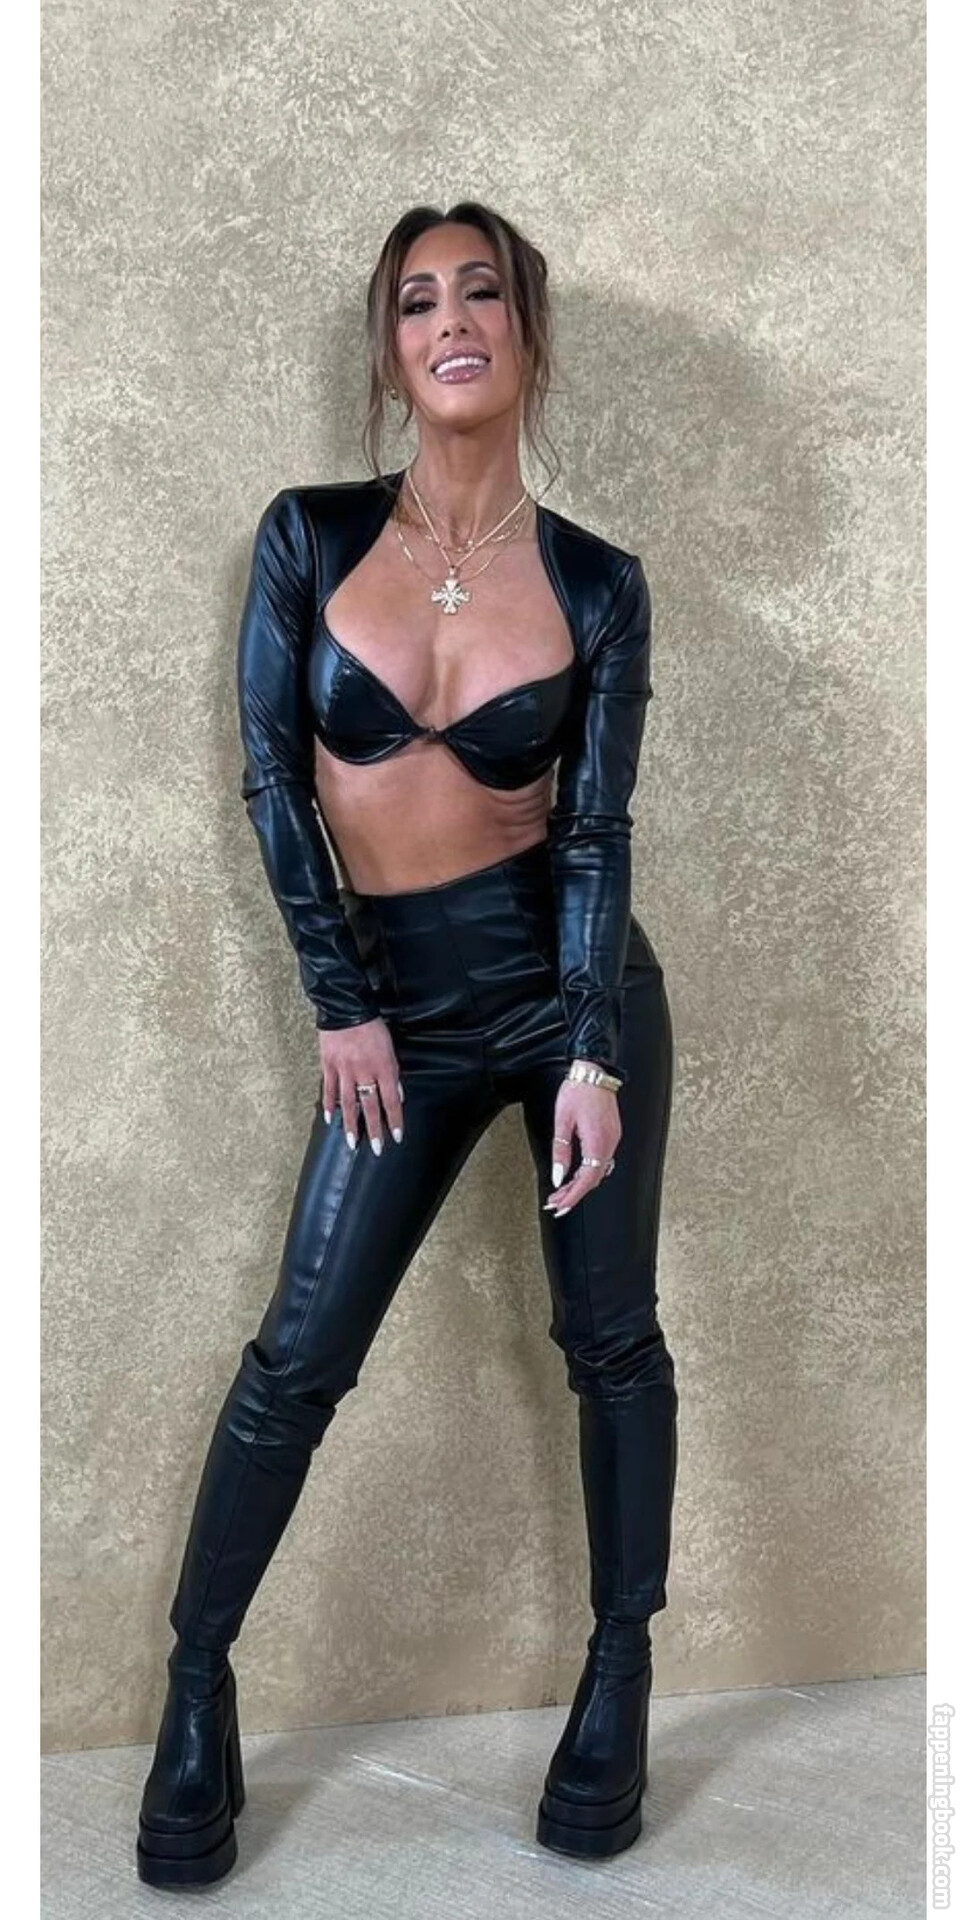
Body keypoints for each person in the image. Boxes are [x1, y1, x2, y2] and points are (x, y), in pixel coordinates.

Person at [136, 198, 678, 1887]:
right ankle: (196, 1690)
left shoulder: (598, 583)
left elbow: (594, 830)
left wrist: (589, 1046)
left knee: (609, 1342)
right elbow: (270, 783)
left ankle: (618, 1675)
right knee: (297, 1361)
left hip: (571, 994)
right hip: (395, 1006)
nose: (451, 320)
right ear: (389, 352)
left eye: (481, 292)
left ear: (525, 333)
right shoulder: (307, 537)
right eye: (417, 300)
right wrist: (342, 1001)